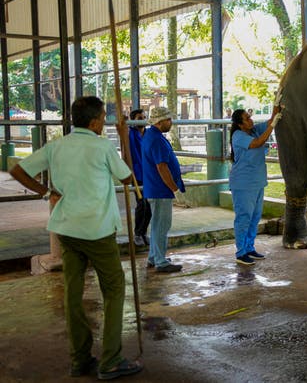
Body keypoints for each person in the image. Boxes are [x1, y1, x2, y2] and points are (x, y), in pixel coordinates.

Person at [9, 96, 143, 380]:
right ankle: (110, 359)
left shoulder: (57, 146)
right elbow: (127, 178)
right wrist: (123, 138)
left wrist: (47, 192)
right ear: (95, 123)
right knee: (114, 290)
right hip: (97, 230)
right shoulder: (102, 146)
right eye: (104, 118)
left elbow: (16, 170)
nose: (105, 123)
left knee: (73, 294)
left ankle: (80, 359)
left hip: (67, 230)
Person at [229, 106, 281, 265]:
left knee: (254, 217)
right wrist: (272, 126)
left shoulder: (253, 130)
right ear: (239, 124)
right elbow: (259, 143)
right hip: (243, 183)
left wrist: (276, 103)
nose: (251, 120)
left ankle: (249, 247)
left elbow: (271, 120)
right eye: (247, 118)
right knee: (244, 217)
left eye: (249, 117)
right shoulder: (238, 136)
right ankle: (241, 252)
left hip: (257, 181)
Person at [141, 107, 184, 273]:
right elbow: (162, 166)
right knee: (161, 225)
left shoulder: (152, 135)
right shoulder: (156, 139)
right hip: (160, 188)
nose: (170, 122)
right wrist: (173, 187)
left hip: (155, 187)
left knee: (157, 224)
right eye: (168, 120)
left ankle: (154, 256)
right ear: (159, 122)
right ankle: (160, 261)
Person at [129, 109, 151, 247]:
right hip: (137, 173)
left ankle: (143, 232)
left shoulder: (148, 134)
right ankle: (137, 233)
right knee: (142, 203)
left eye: (144, 117)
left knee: (149, 205)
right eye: (139, 118)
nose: (142, 120)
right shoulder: (130, 134)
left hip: (149, 173)